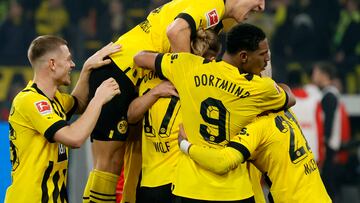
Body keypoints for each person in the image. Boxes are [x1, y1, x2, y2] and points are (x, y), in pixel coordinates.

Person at [84, 0, 266, 202]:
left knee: (131, 153)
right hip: (119, 70)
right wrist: (189, 79)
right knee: (109, 163)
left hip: (136, 73)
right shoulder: (212, 5)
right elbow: (176, 31)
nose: (262, 7)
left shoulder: (219, 18)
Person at [133, 23, 295, 202]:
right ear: (243, 56)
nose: (266, 61)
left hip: (190, 188)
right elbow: (290, 98)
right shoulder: (258, 89)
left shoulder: (186, 66)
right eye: (263, 55)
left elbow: (140, 58)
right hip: (234, 191)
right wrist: (273, 85)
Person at [5, 35, 121, 203]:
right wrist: (99, 99)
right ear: (52, 64)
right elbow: (74, 138)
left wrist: (87, 68)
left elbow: (79, 103)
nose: (72, 65)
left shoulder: (55, 100)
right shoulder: (30, 100)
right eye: (68, 60)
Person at [126, 29, 220, 203]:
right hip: (149, 180)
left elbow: (140, 56)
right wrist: (155, 93)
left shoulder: (200, 83)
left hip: (181, 181)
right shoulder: (152, 77)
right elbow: (131, 115)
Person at [177, 109, 332, 203]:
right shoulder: (286, 112)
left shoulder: (257, 127)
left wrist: (185, 145)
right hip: (320, 197)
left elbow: (222, 162)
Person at [311, 61, 351, 202]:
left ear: (324, 75)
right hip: (331, 147)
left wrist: (324, 143)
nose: (312, 76)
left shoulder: (328, 95)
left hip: (329, 148)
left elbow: (328, 123)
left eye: (315, 73)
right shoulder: (331, 94)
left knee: (329, 189)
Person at [287, 68, 325, 166]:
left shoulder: (284, 102)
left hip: (290, 153)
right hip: (312, 150)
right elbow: (320, 129)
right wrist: (321, 155)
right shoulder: (314, 101)